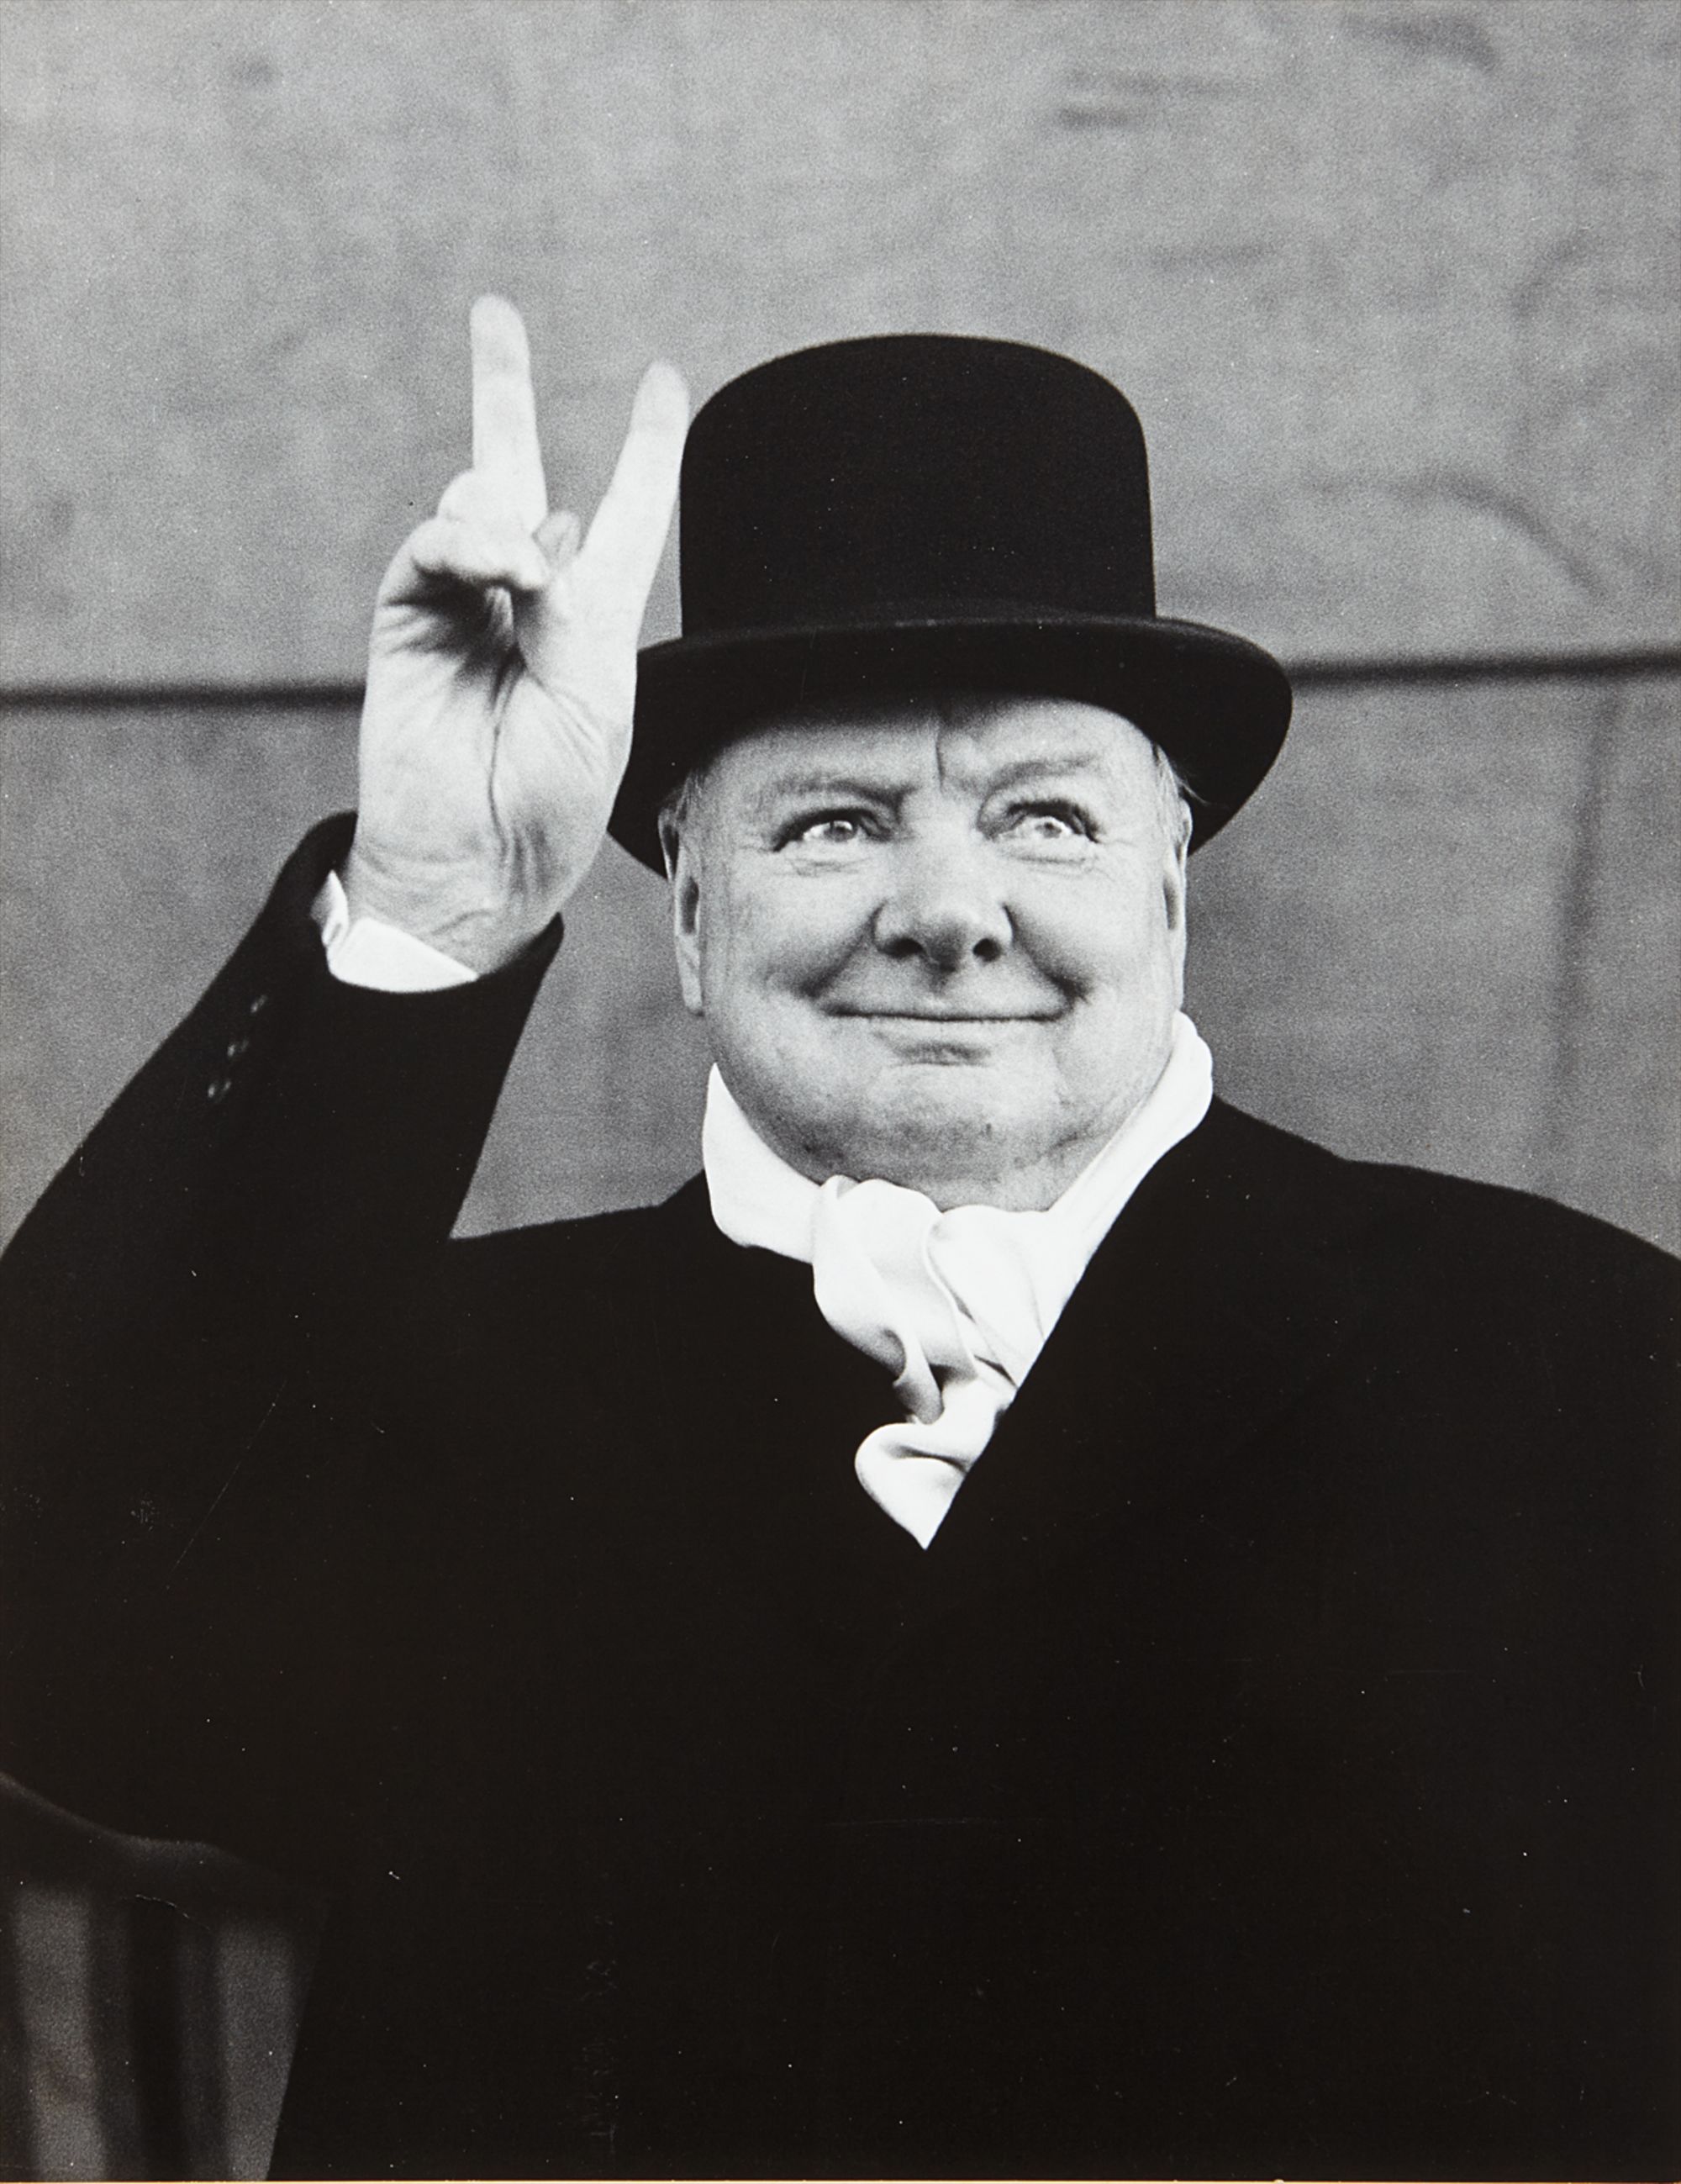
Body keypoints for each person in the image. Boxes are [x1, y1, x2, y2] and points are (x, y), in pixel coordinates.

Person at [2, 300, 1676, 2182]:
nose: (950, 911)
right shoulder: (437, 1387)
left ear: (1170, 891)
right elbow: (50, 1619)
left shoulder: (1579, 1358)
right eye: (835, 824)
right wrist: (429, 902)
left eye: (1044, 817)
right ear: (691, 910)